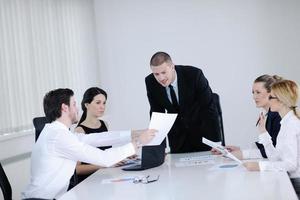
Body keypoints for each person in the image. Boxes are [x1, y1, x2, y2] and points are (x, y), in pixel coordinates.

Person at [22, 88, 156, 200]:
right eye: (74, 104)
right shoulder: (58, 136)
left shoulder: (58, 133)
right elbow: (104, 158)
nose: (77, 109)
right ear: (64, 108)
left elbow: (96, 138)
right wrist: (138, 142)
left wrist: (134, 134)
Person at [145, 51, 221, 153]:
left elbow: (209, 109)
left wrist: (216, 143)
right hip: (178, 140)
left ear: (172, 67)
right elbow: (158, 115)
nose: (161, 78)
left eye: (164, 72)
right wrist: (158, 150)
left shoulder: (194, 75)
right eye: (156, 74)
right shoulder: (151, 82)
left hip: (203, 135)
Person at [242, 80, 300, 197]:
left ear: (281, 100)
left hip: (296, 183)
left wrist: (261, 166)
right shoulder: (285, 124)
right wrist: (263, 132)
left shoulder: (291, 126)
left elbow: (291, 164)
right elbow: (275, 157)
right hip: (289, 179)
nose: (268, 101)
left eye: (271, 97)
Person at [212, 75, 282, 158]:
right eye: (253, 92)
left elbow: (274, 150)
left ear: (271, 93)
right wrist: (239, 150)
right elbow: (266, 146)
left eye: (258, 92)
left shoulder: (278, 116)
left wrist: (242, 154)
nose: (254, 97)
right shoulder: (267, 114)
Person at [75, 87, 112, 183]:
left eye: (104, 103)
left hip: (106, 177)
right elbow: (78, 169)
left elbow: (106, 154)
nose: (102, 106)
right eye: (98, 103)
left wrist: (123, 156)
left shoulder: (105, 124)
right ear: (87, 104)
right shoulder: (80, 131)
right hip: (89, 181)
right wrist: (105, 165)